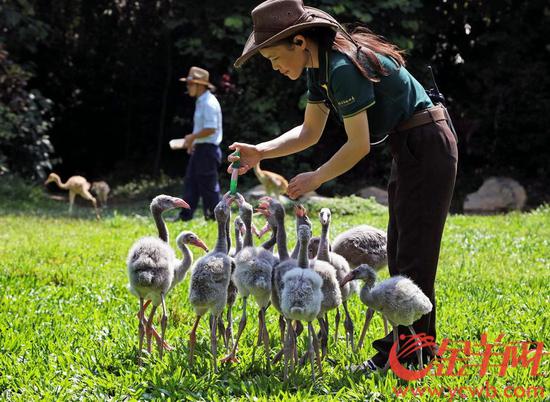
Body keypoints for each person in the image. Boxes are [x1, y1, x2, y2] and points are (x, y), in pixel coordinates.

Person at [227, 0, 457, 370]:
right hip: (412, 146)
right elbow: (309, 131)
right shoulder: (318, 70)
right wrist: (260, 152)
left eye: (273, 57)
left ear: (299, 42)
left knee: (414, 255)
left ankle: (409, 356)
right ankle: (415, 350)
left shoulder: (340, 68)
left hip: (427, 144)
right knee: (401, 252)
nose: (275, 67)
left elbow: (359, 144)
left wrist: (316, 177)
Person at [175, 66, 223, 221]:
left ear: (200, 85)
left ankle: (216, 217)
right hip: (202, 148)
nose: (188, 87)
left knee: (208, 187)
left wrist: (191, 137)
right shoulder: (201, 101)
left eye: (190, 84)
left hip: (208, 150)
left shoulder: (208, 103)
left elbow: (211, 128)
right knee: (192, 182)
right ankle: (185, 216)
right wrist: (193, 142)